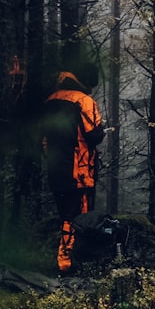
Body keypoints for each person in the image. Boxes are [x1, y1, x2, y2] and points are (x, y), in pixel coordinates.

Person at [41, 63, 105, 274]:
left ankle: (66, 261)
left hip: (56, 170)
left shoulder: (52, 100)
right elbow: (94, 134)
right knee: (79, 217)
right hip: (79, 171)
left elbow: (43, 140)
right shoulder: (83, 101)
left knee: (65, 215)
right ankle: (71, 264)